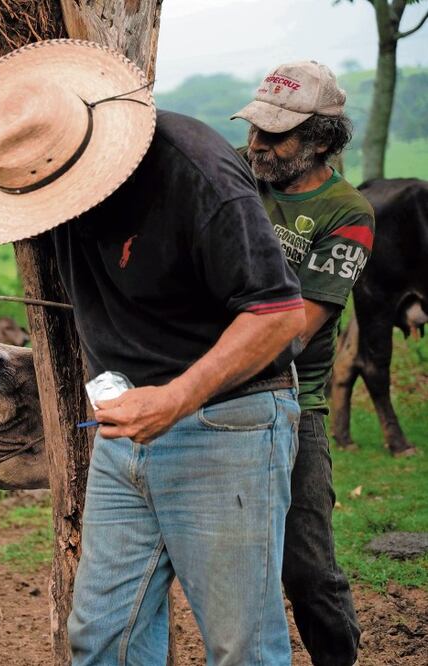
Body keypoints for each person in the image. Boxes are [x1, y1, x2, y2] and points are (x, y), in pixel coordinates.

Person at [0, 40, 305, 664]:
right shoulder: (34, 153)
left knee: (242, 646)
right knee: (103, 635)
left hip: (225, 422)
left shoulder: (198, 175)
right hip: (123, 426)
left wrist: (178, 397)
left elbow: (279, 317)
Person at [232, 61, 372, 666]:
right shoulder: (236, 175)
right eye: (254, 129)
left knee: (308, 569)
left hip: (293, 403)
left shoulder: (349, 212)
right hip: (206, 390)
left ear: (319, 140)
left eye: (274, 135)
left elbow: (297, 329)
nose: (256, 144)